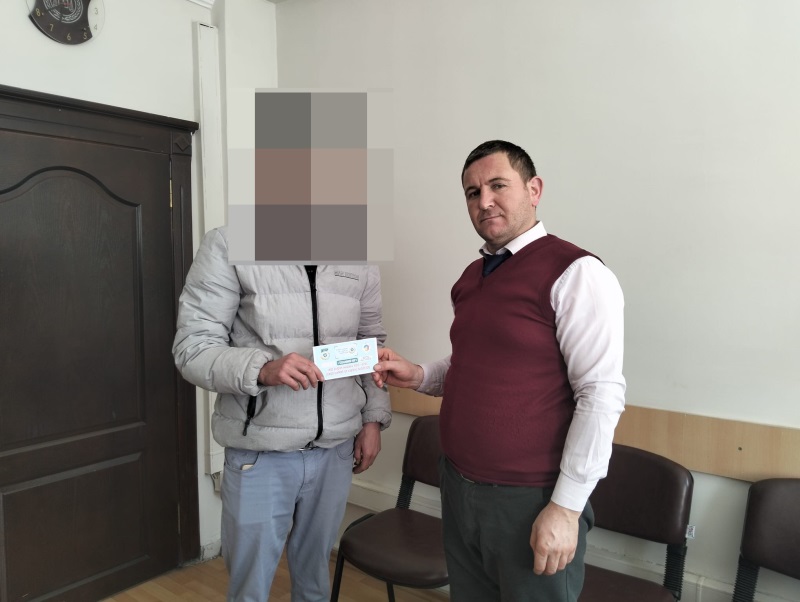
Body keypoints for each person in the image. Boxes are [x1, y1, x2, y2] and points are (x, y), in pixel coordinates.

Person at [373, 140, 625, 601]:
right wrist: (419, 374)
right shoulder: (472, 277)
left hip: (529, 500)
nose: (484, 201)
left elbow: (600, 393)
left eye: (497, 186)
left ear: (534, 189)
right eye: (472, 192)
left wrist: (566, 508)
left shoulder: (576, 273)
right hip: (459, 487)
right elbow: (473, 364)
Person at [173, 226, 391, 602]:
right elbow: (193, 348)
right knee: (250, 590)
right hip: (260, 455)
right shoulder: (229, 243)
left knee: (314, 584)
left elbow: (370, 345)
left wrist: (372, 418)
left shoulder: (358, 254)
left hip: (336, 451)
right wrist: (261, 368)